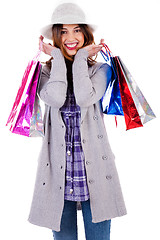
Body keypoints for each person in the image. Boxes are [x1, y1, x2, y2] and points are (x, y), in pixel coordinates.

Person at [28, 3, 127, 240]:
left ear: (85, 34)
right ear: (55, 36)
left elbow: (85, 98)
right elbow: (55, 97)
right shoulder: (43, 73)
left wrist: (81, 57)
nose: (70, 37)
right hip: (58, 173)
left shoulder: (101, 70)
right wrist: (56, 59)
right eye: (63, 31)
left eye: (76, 30)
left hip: (94, 170)